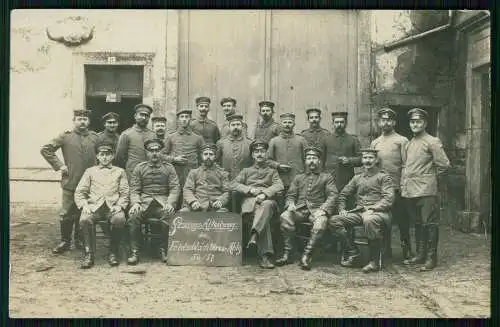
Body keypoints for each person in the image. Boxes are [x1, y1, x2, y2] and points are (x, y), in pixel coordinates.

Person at [40, 109, 99, 254]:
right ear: (74, 121)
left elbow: (103, 154)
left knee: (83, 212)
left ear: (89, 122)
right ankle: (65, 241)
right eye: (79, 119)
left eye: (85, 119)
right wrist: (60, 165)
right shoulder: (65, 136)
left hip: (89, 184)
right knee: (66, 213)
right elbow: (46, 149)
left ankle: (80, 239)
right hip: (71, 182)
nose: (82, 121)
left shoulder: (95, 138)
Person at [328, 148, 395, 273]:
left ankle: (374, 261)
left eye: (370, 158)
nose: (367, 161)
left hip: (380, 213)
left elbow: (388, 199)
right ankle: (354, 252)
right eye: (365, 158)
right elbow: (343, 194)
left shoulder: (384, 177)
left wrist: (373, 208)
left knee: (369, 220)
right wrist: (342, 209)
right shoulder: (357, 178)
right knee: (334, 220)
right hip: (359, 211)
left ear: (376, 160)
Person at [401, 108, 451, 272]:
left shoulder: (432, 141)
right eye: (412, 122)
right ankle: (420, 255)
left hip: (426, 191)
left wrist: (430, 179)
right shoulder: (409, 143)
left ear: (425, 123)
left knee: (429, 224)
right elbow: (406, 167)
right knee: (417, 224)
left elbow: (444, 165)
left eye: (418, 121)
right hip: (410, 191)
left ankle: (431, 258)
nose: (415, 124)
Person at [276, 146, 338, 270]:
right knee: (284, 216)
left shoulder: (327, 177)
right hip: (300, 209)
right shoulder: (299, 178)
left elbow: (333, 195)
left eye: (314, 158)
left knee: (321, 222)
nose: (311, 161)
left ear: (319, 161)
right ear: (305, 161)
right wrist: (291, 204)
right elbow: (291, 195)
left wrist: (324, 209)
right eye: (309, 158)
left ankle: (306, 255)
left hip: (317, 210)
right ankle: (288, 253)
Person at [74, 141, 129, 269]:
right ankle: (89, 254)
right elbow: (80, 191)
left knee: (119, 219)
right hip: (94, 206)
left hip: (112, 206)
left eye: (108, 154)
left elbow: (125, 192)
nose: (105, 157)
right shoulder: (90, 171)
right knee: (85, 219)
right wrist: (84, 205)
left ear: (112, 156)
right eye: (102, 154)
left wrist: (120, 205)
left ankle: (113, 252)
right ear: (97, 156)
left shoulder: (120, 171)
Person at [232, 140, 284, 269]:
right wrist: (250, 190)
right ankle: (264, 256)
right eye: (256, 152)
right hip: (250, 205)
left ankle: (255, 235)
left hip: (268, 203)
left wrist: (265, 194)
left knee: (265, 205)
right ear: (252, 155)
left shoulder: (272, 172)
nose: (259, 154)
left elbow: (279, 185)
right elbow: (233, 184)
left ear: (266, 154)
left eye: (262, 151)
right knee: (263, 219)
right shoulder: (246, 171)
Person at [127, 139, 180, 265]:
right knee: (133, 217)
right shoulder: (140, 168)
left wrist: (170, 203)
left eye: (157, 150)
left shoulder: (169, 168)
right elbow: (134, 189)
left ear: (161, 152)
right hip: (144, 204)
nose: (154, 153)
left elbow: (175, 187)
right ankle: (135, 251)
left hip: (162, 203)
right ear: (147, 152)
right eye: (151, 151)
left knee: (169, 215)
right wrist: (135, 203)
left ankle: (163, 249)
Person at [371, 107, 412, 261]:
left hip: (397, 188)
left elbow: (406, 165)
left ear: (393, 122)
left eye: (389, 119)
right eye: (383, 119)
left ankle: (406, 250)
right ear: (379, 122)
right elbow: (373, 167)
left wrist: (402, 185)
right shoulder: (375, 142)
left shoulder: (402, 140)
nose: (386, 122)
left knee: (402, 220)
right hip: (381, 190)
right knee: (383, 220)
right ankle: (385, 250)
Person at [181, 143, 230, 212]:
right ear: (201, 156)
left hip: (215, 207)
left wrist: (220, 201)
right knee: (183, 213)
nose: (208, 157)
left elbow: (227, 191)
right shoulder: (194, 172)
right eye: (205, 154)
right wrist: (193, 201)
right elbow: (187, 189)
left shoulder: (222, 173)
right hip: (197, 206)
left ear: (215, 156)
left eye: (211, 154)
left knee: (223, 214)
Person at [162, 108, 205, 188]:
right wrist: (174, 159)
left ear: (190, 119)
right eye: (182, 117)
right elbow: (161, 156)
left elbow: (203, 157)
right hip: (175, 174)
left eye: (187, 117)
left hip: (193, 174)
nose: (184, 119)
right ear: (178, 120)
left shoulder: (198, 138)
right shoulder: (171, 137)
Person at [267, 113, 308, 192]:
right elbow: (267, 160)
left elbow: (307, 159)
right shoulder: (274, 141)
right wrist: (278, 165)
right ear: (280, 124)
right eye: (284, 122)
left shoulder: (301, 140)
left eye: (290, 122)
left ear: (294, 124)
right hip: (280, 180)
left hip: (298, 179)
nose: (287, 125)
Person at [115, 104, 156, 181]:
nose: (143, 118)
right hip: (132, 174)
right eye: (141, 115)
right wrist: (130, 167)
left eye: (146, 116)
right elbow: (119, 157)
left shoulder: (153, 135)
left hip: (150, 173)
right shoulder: (126, 134)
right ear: (135, 116)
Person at [324, 111, 362, 193]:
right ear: (332, 124)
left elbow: (361, 159)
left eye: (342, 122)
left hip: (347, 180)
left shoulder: (353, 140)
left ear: (346, 123)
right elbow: (321, 159)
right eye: (336, 122)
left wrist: (349, 160)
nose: (339, 124)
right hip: (330, 180)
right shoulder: (326, 139)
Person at [216, 114, 253, 180]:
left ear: (242, 126)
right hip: (226, 180)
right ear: (229, 127)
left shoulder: (250, 143)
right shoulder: (221, 143)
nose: (235, 127)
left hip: (246, 180)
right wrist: (222, 174)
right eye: (233, 125)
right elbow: (216, 162)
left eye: (238, 124)